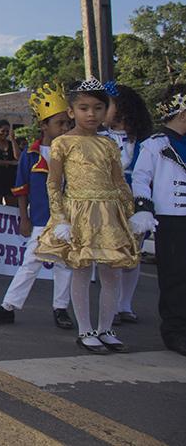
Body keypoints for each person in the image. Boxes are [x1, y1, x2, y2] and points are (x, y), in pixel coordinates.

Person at [35, 79, 140, 354]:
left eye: (97, 107)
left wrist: (132, 214)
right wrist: (59, 218)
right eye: (83, 108)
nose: (91, 114)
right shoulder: (63, 143)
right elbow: (54, 183)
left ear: (106, 110)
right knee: (81, 270)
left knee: (111, 273)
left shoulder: (108, 145)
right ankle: (86, 330)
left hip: (109, 213)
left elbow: (120, 183)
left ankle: (106, 328)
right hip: (78, 212)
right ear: (71, 112)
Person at [0, 84, 74, 329]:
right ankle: (8, 306)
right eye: (59, 123)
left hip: (70, 219)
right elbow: (22, 189)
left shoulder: (75, 152)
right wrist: (24, 218)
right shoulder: (30, 155)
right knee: (31, 262)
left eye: (67, 124)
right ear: (44, 126)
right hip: (42, 219)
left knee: (65, 263)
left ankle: (61, 308)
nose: (65, 128)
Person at [131, 85, 186, 357]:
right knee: (175, 275)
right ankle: (175, 331)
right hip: (171, 219)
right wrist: (143, 207)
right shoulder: (155, 144)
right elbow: (140, 178)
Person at [100, 83, 154, 325]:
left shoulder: (145, 141)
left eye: (107, 104)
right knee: (112, 255)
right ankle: (109, 307)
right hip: (107, 201)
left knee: (133, 255)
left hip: (135, 201)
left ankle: (125, 305)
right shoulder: (99, 138)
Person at [0, 119, 20, 205]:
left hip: (10, 178)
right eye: (2, 131)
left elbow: (18, 157)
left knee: (12, 205)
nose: (5, 133)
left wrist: (13, 140)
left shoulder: (10, 143)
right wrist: (10, 163)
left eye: (7, 131)